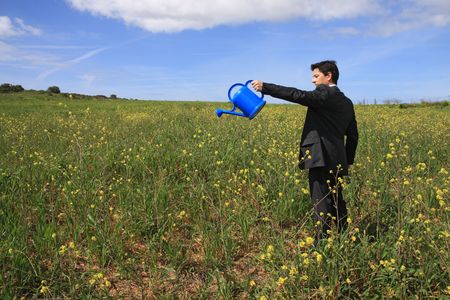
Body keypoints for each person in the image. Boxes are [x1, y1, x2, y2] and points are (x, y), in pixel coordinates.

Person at [252, 60, 358, 245]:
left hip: (319, 157)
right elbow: (354, 135)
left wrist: (266, 87)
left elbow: (297, 95)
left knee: (321, 202)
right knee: (336, 199)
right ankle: (344, 238)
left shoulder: (325, 93)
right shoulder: (347, 102)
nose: (313, 81)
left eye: (316, 76)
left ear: (329, 76)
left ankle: (320, 246)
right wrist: (346, 160)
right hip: (338, 159)